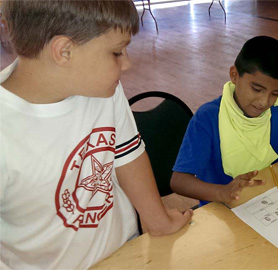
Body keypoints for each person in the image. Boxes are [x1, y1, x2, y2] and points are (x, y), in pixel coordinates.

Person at [0, 1, 192, 269]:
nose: (127, 63)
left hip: (124, 255)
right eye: (116, 52)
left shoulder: (102, 89)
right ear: (64, 51)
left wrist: (157, 220)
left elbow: (128, 154)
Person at [171, 36, 278, 214]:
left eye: (274, 93)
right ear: (234, 75)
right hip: (221, 211)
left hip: (270, 203)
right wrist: (221, 192)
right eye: (257, 89)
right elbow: (179, 180)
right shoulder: (208, 117)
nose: (264, 102)